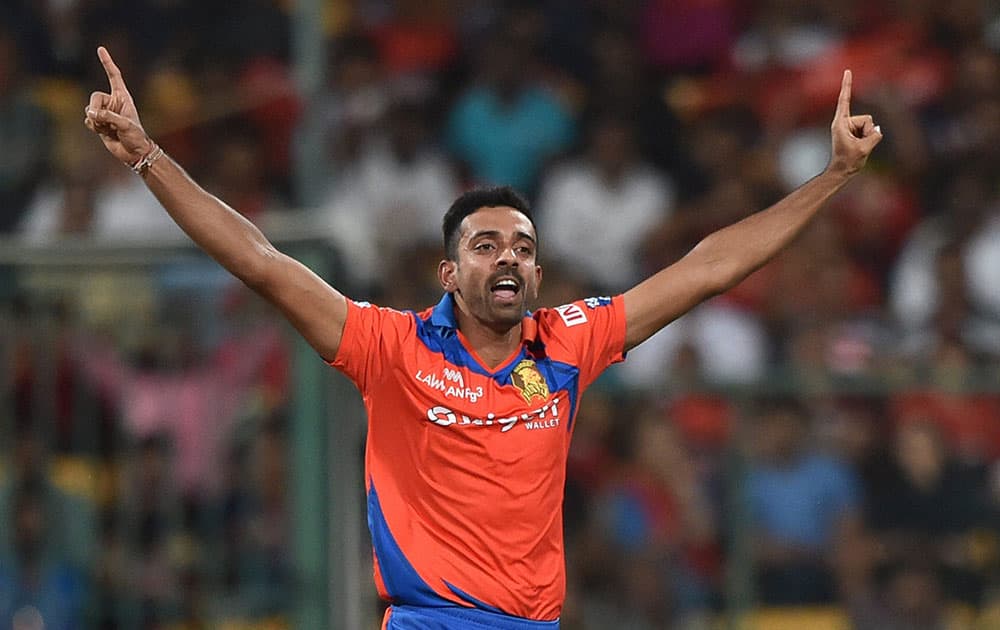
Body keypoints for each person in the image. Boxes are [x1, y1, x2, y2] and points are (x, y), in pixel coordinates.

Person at [84, 45, 881, 628]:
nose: (510, 257)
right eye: (487, 245)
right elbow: (260, 262)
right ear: (449, 273)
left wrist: (835, 175)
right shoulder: (389, 348)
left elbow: (708, 267)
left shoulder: (569, 342)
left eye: (526, 249)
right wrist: (148, 156)